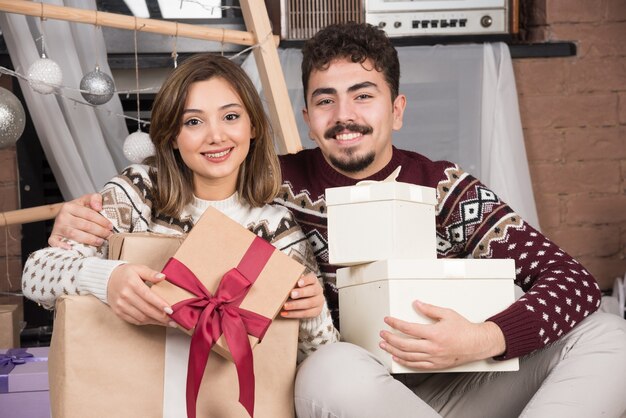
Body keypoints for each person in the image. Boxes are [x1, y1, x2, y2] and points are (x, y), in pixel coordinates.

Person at [45, 23, 626, 417]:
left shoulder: (445, 188)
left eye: (364, 96)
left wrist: (482, 338)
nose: (344, 116)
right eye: (326, 100)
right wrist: (80, 226)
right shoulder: (265, 182)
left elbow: (570, 282)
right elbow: (198, 176)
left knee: (611, 336)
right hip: (355, 391)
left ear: (396, 108)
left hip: (463, 381)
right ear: (305, 114)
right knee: (331, 369)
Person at [22, 53, 339, 363]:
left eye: (231, 116)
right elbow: (35, 275)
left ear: (253, 127)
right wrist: (106, 279)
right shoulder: (139, 192)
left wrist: (312, 313)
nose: (216, 136)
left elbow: (322, 357)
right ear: (173, 136)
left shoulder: (276, 227)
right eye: (193, 121)